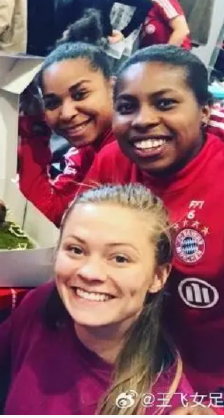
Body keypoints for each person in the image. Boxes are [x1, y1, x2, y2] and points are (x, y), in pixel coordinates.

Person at [0, 184, 192, 415]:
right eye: (76, 250)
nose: (89, 272)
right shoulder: (45, 304)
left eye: (120, 258)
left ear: (158, 276)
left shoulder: (168, 405)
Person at [83, 45, 224, 395]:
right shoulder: (112, 161)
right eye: (127, 107)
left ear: (204, 111)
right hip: (114, 362)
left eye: (165, 103)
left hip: (201, 385)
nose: (143, 120)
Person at [19, 37, 115, 226]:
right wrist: (34, 131)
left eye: (80, 95)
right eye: (52, 103)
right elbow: (50, 214)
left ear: (113, 88)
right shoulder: (87, 150)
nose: (67, 113)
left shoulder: (129, 151)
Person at [55, 0, 153, 45]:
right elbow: (145, 3)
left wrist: (124, 33)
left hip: (73, 40)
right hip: (99, 42)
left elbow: (62, 7)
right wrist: (124, 33)